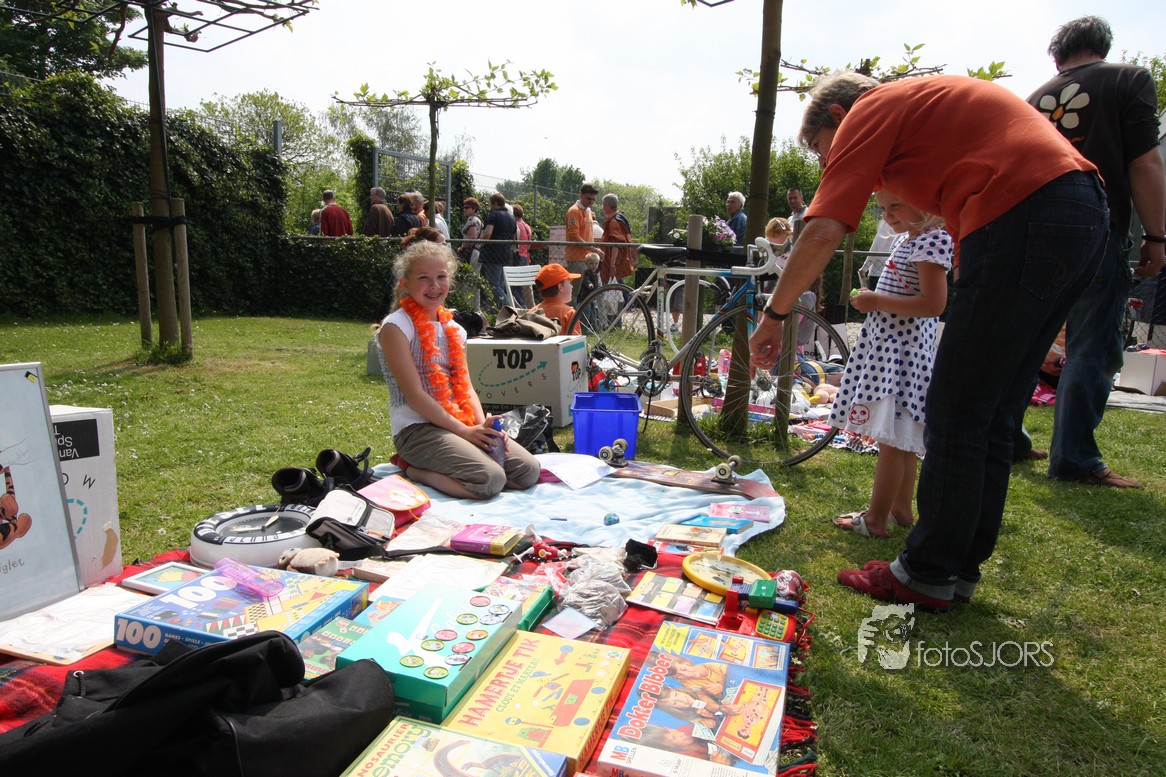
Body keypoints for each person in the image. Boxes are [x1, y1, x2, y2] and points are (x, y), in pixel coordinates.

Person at [749, 71, 1106, 611]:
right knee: (992, 412)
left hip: (1025, 210)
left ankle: (926, 573)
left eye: (824, 149)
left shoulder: (870, 110)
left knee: (956, 409)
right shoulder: (926, 111)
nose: (829, 164)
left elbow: (823, 229)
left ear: (839, 117)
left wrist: (775, 315)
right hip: (1082, 208)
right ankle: (957, 568)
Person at [1015, 16, 1165, 488]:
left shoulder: (1033, 98)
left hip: (1033, 234)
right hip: (1096, 226)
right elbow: (1145, 162)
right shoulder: (1128, 80)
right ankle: (1075, 459)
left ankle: (1007, 440)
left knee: (1024, 345)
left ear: (1056, 54)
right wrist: (1157, 236)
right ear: (1102, 45)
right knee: (1091, 347)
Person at [375, 241, 540, 500]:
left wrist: (482, 427)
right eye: (424, 278)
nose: (434, 286)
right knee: (490, 480)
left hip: (459, 424)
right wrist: (465, 433)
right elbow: (414, 395)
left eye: (441, 277)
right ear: (405, 283)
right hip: (417, 430)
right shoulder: (395, 327)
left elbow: (466, 386)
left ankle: (465, 460)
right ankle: (413, 469)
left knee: (527, 471)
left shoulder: (455, 330)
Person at [830, 190, 953, 537]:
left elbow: (933, 304)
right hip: (893, 352)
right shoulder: (910, 239)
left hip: (901, 358)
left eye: (895, 205)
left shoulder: (931, 240)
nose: (887, 215)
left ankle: (875, 518)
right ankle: (900, 508)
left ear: (925, 202)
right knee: (903, 441)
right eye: (882, 208)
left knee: (893, 441)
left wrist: (876, 301)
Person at [479, 192, 517, 309]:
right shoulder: (512, 218)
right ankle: (498, 310)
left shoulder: (493, 215)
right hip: (506, 254)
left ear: (495, 203)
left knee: (493, 284)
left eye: (491, 204)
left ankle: (507, 307)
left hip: (493, 253)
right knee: (500, 284)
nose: (490, 206)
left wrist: (481, 243)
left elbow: (488, 233)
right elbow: (514, 236)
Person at [565, 183, 599, 303]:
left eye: (594, 199)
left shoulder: (588, 211)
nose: (591, 202)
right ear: (581, 195)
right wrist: (594, 249)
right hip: (576, 258)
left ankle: (580, 315)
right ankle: (571, 315)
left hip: (587, 258)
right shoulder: (574, 211)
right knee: (574, 293)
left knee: (586, 294)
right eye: (588, 198)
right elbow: (574, 236)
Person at [531, 263, 582, 336]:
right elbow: (577, 342)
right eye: (569, 282)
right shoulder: (569, 313)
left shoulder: (532, 312)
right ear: (560, 287)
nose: (572, 286)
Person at [600, 193, 635, 287]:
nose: (603, 208)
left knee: (615, 285)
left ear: (607, 205)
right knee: (617, 284)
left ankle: (629, 297)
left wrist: (612, 264)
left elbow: (616, 243)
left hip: (615, 261)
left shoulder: (614, 222)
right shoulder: (619, 218)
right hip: (618, 260)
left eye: (603, 205)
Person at [860, 218, 902, 290]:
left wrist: (864, 268)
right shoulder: (905, 224)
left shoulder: (887, 223)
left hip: (878, 272)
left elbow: (876, 247)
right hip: (896, 271)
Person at [512, 203, 535, 308]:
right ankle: (529, 306)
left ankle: (522, 307)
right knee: (525, 284)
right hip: (525, 256)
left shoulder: (516, 225)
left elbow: (513, 240)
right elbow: (529, 244)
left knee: (516, 285)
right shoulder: (527, 226)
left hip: (517, 256)